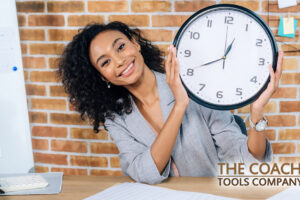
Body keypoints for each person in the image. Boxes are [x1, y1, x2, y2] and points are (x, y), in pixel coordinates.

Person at [58, 21, 283, 184]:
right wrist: (179, 107)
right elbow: (143, 173)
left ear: (134, 43)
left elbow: (248, 160)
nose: (119, 61)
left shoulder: (194, 85)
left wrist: (256, 112)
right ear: (102, 76)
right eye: (105, 62)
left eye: (120, 47)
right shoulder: (117, 119)